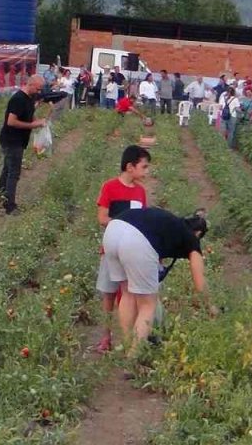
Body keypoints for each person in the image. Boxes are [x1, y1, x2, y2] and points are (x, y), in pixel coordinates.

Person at [96, 207, 212, 347]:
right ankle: (134, 355)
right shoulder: (191, 238)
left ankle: (127, 346)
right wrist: (210, 307)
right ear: (198, 233)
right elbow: (200, 282)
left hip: (113, 230)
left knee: (127, 293)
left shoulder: (171, 223)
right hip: (135, 239)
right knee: (147, 304)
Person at [94, 145, 151, 352]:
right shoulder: (110, 187)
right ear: (130, 167)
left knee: (129, 294)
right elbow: (102, 218)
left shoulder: (140, 192)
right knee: (109, 294)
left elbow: (143, 221)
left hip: (132, 253)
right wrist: (123, 227)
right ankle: (106, 336)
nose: (146, 172)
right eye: (143, 167)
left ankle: (129, 339)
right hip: (111, 250)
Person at [0, 75, 46, 215]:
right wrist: (32, 125)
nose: (38, 92)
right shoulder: (18, 99)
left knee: (7, 170)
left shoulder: (29, 99)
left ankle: (1, 199)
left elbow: (30, 115)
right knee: (13, 173)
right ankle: (10, 206)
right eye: (37, 89)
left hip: (18, 140)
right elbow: (11, 122)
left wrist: (37, 121)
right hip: (12, 140)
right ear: (30, 84)